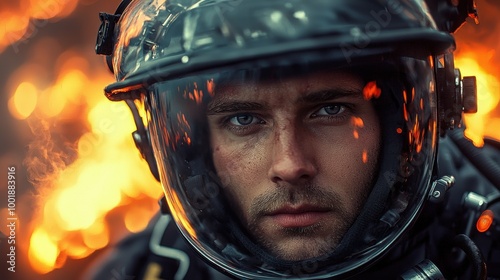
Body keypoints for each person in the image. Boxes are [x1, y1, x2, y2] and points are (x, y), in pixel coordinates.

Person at [87, 0, 500, 279]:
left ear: (401, 129)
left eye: (330, 111)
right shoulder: (142, 269)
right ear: (184, 149)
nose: (290, 164)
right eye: (244, 119)